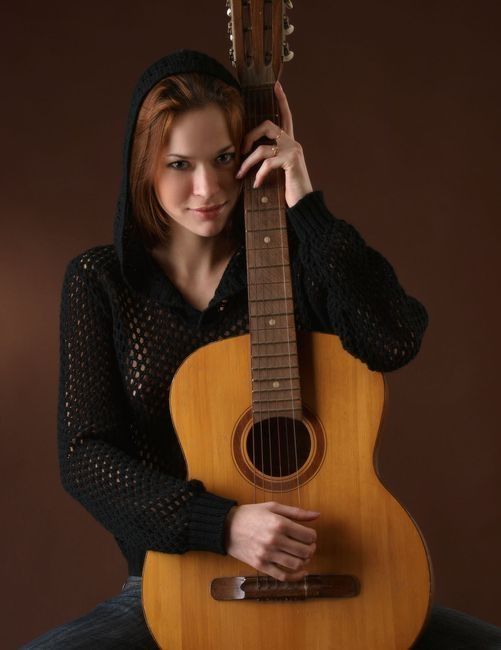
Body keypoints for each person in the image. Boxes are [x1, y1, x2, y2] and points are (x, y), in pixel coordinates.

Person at [23, 50, 501, 649]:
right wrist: (222, 525)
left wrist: (303, 200)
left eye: (224, 158)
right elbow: (84, 455)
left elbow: (393, 338)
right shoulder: (100, 281)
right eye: (178, 164)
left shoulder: (291, 263)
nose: (208, 188)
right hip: (181, 576)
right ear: (141, 166)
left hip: (346, 571)